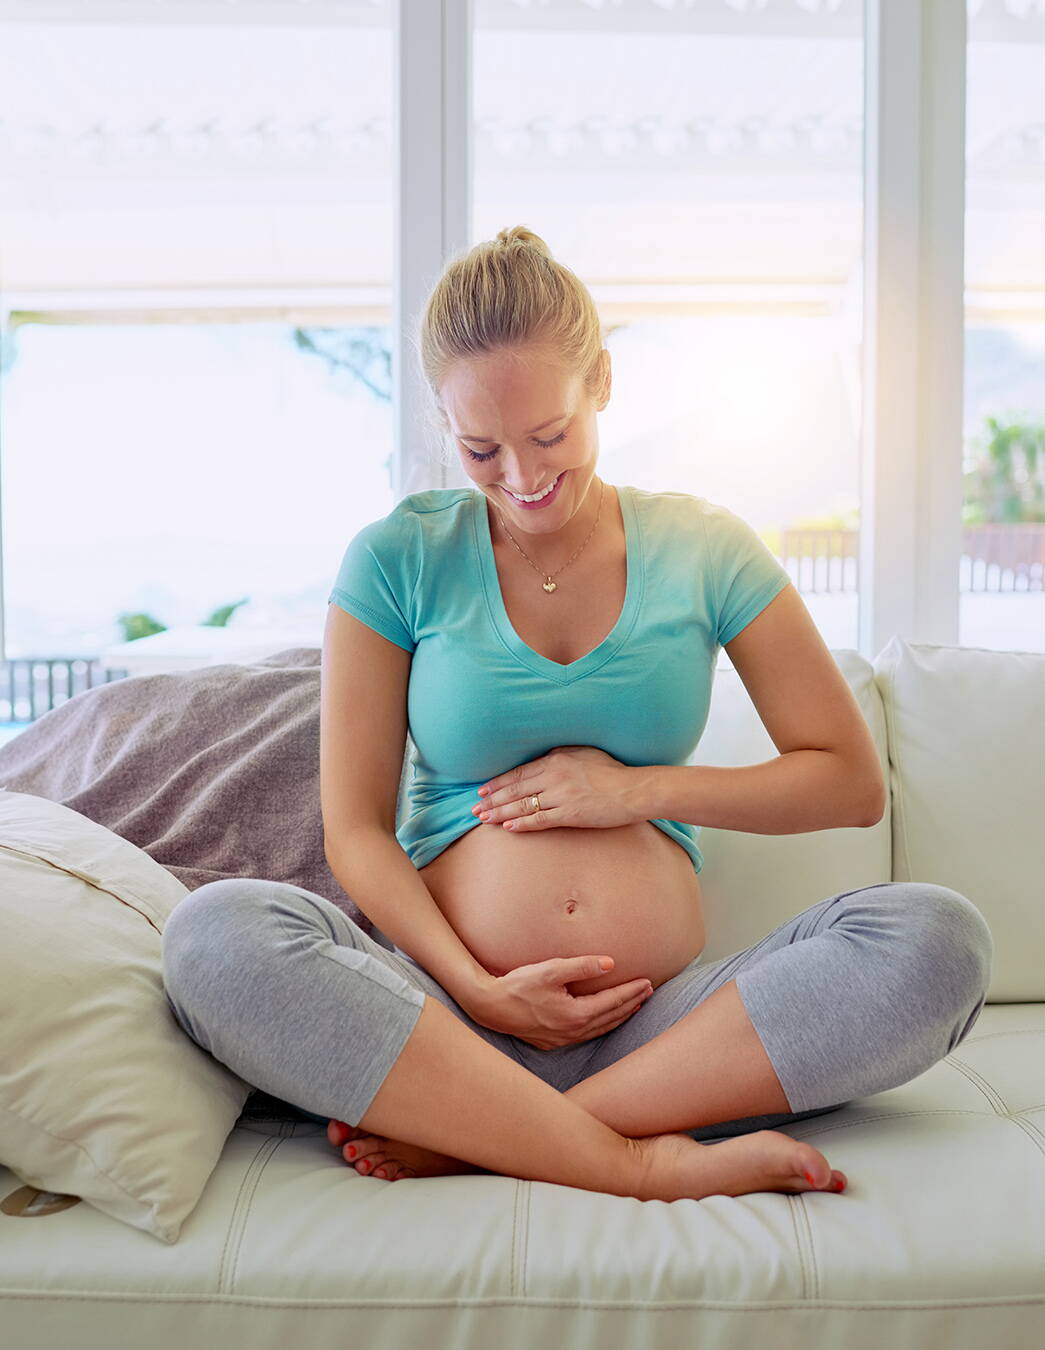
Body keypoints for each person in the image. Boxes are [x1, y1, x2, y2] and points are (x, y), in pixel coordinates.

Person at [161, 226, 993, 1204]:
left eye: (548, 435)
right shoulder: (397, 558)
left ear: (600, 380)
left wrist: (631, 790)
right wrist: (478, 989)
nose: (520, 477)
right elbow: (353, 830)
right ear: (442, 424)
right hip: (446, 1016)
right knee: (214, 937)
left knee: (937, 939)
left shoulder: (705, 546)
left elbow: (848, 781)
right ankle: (629, 1157)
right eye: (480, 448)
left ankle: (485, 1132)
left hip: (668, 1032)